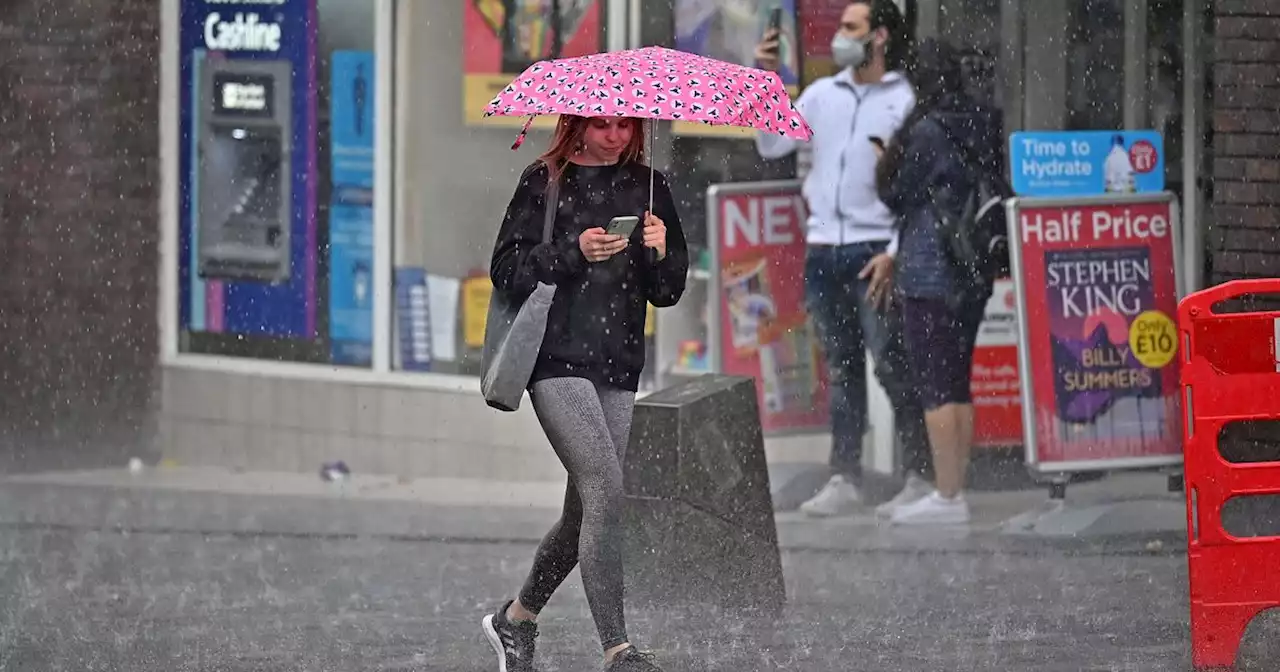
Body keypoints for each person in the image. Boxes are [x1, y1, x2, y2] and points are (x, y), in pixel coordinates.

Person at [482, 114, 688, 672]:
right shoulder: (543, 180)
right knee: (604, 483)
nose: (616, 136)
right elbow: (505, 269)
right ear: (577, 124)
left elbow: (668, 293)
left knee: (584, 515)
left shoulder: (650, 187)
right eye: (603, 125)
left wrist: (661, 250)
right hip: (555, 360)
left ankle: (516, 620)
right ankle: (618, 649)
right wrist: (574, 253)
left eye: (626, 126)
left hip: (618, 364)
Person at [754, 0, 932, 517]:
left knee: (893, 366)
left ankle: (920, 475)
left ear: (879, 36)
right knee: (842, 367)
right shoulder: (820, 95)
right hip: (825, 248)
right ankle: (846, 476)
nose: (840, 37)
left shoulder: (905, 101)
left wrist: (896, 253)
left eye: (851, 28)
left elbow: (917, 189)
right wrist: (766, 83)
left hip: (877, 251)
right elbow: (771, 145)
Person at [874, 38, 1003, 525]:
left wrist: (886, 157)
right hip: (972, 269)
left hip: (930, 268)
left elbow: (897, 195)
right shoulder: (982, 120)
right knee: (959, 381)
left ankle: (948, 497)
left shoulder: (925, 130)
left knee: (935, 384)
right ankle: (957, 489)